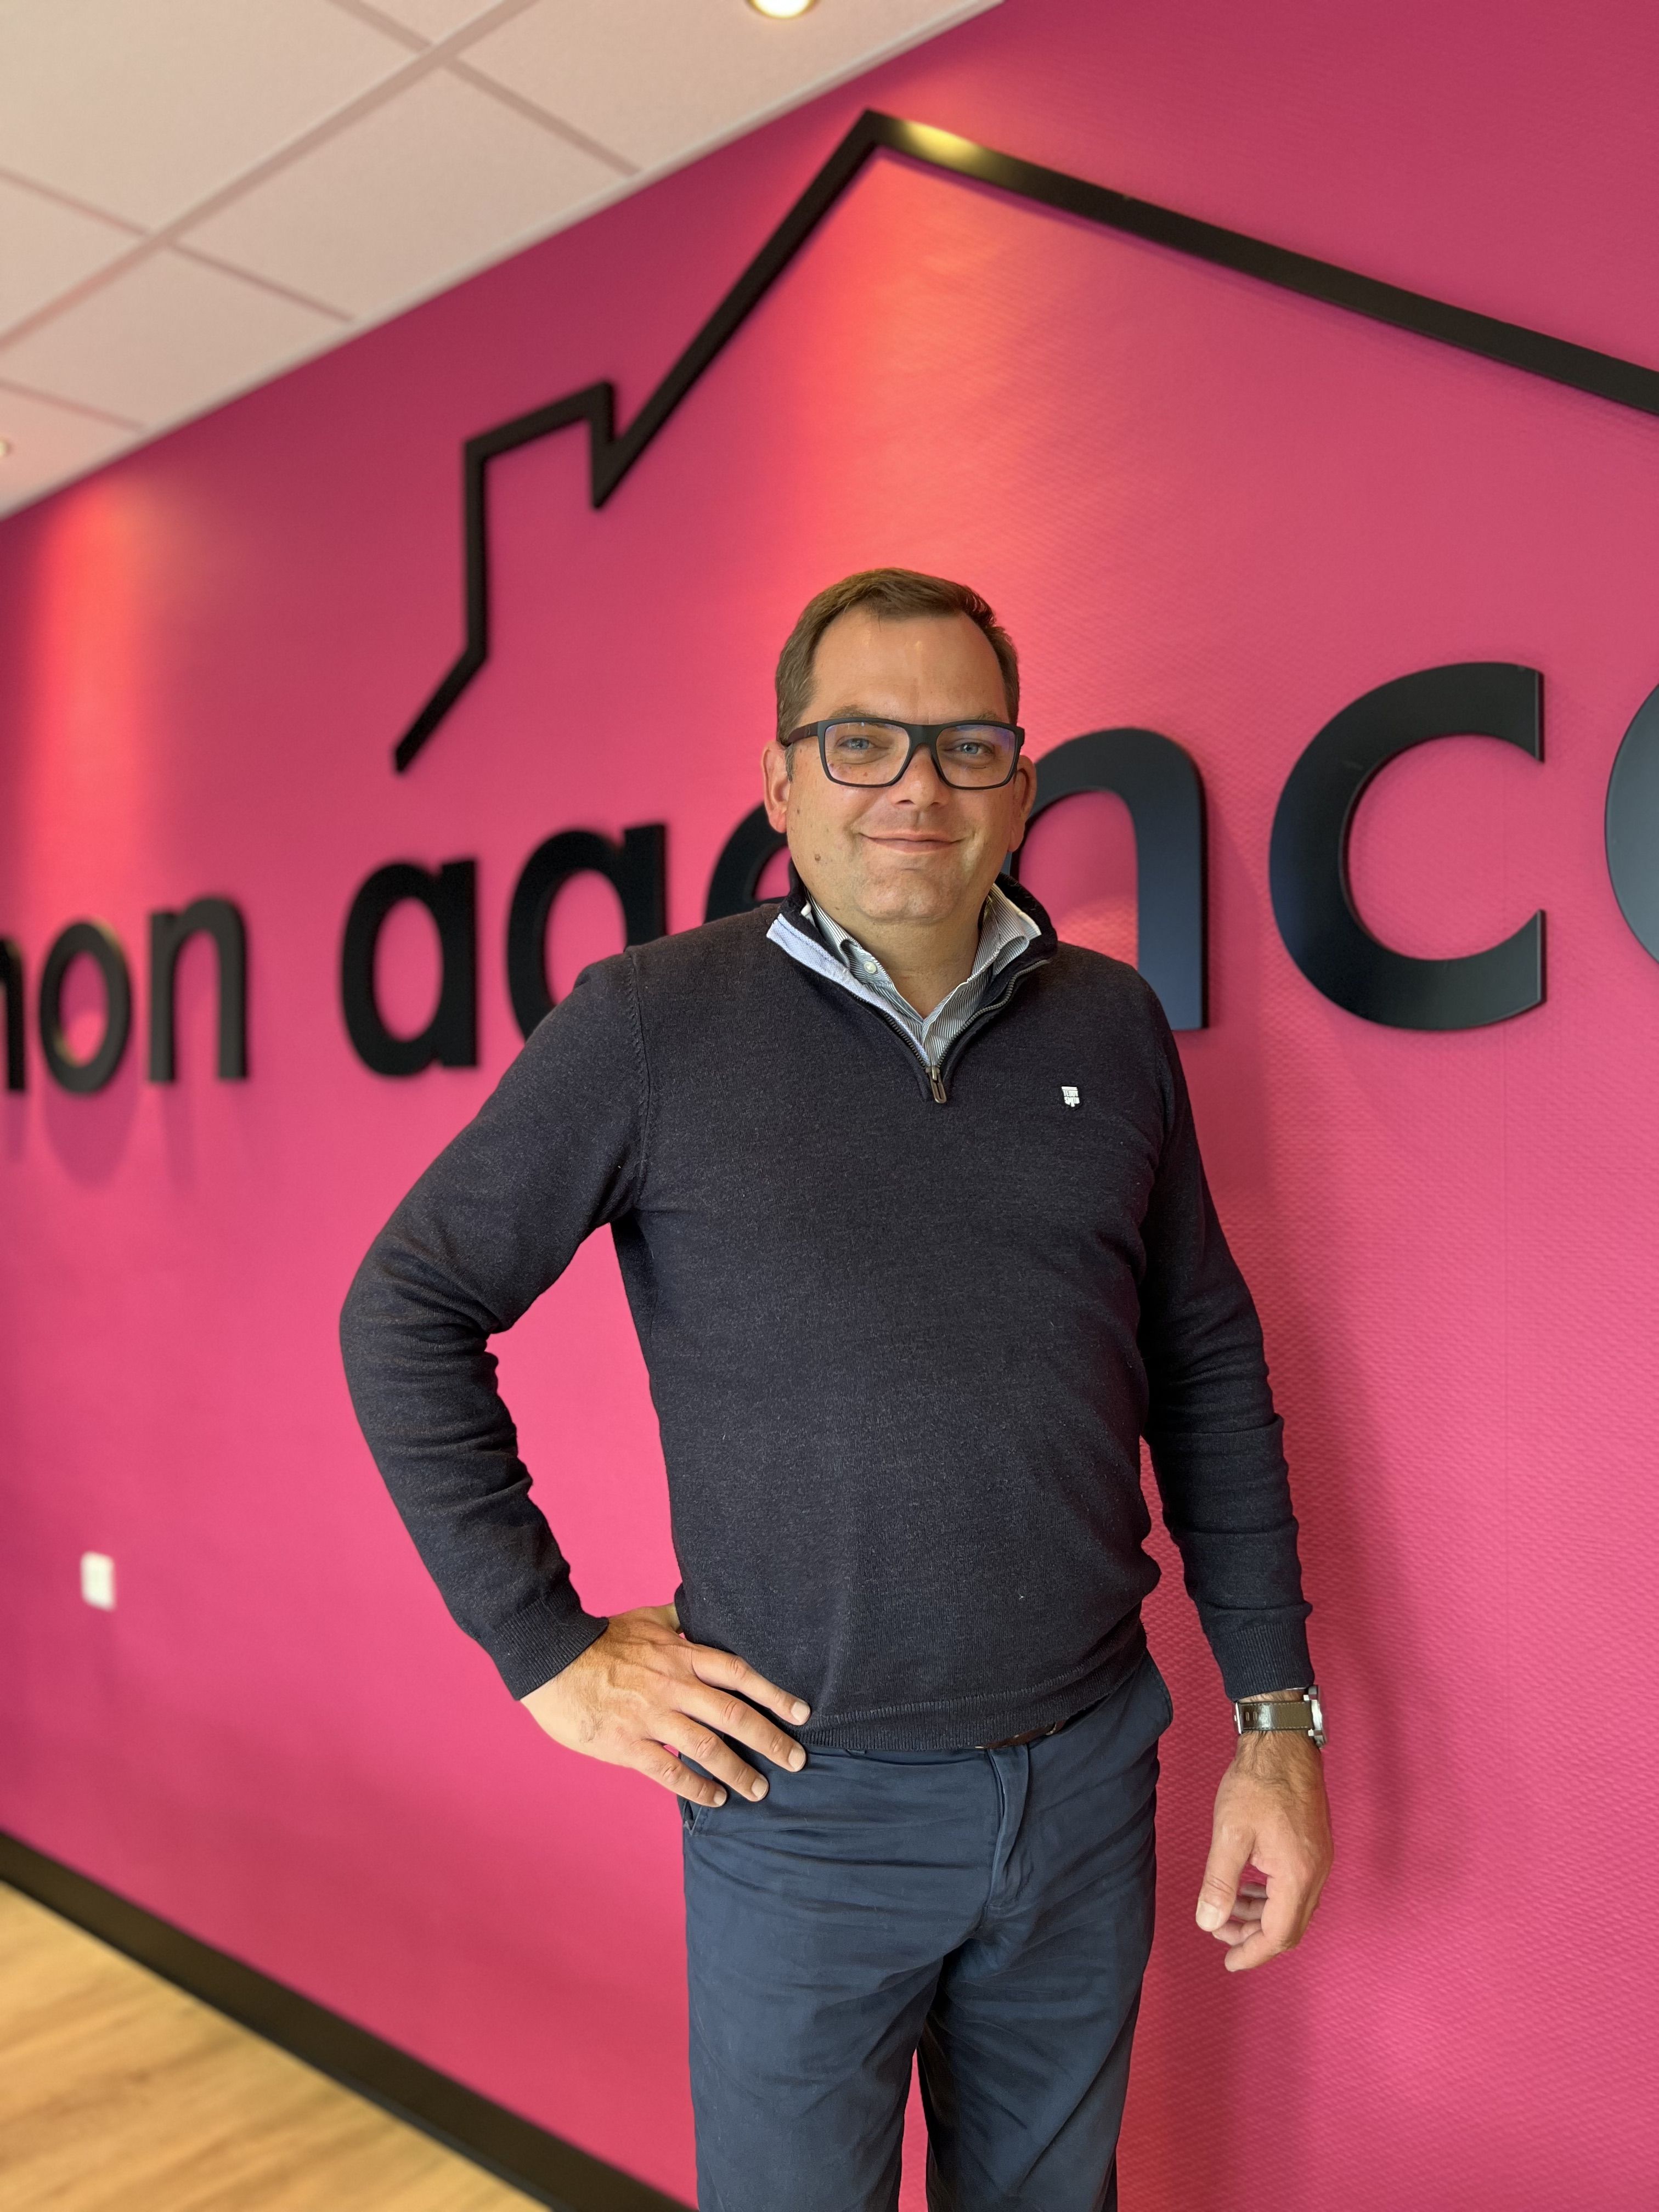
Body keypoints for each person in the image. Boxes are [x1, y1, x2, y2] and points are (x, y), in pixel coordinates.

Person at [340, 567, 1333, 2212]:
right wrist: (547, 1652)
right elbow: (409, 1307)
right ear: (783, 781)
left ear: (1021, 783)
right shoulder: (653, 1024)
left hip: (1088, 1779)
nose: (915, 786)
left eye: (966, 745)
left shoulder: (1113, 1025)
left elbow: (1208, 1367)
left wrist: (1276, 1722)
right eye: (861, 741)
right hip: (804, 1809)